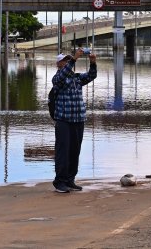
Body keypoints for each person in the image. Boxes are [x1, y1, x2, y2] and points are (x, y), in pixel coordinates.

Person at [51, 47, 97, 193]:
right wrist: (74, 59)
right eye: (64, 60)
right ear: (59, 64)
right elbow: (62, 77)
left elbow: (91, 76)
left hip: (78, 119)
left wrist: (93, 62)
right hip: (63, 119)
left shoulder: (77, 78)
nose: (67, 62)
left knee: (74, 151)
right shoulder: (58, 79)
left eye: (68, 59)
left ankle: (70, 179)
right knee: (62, 151)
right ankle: (60, 182)